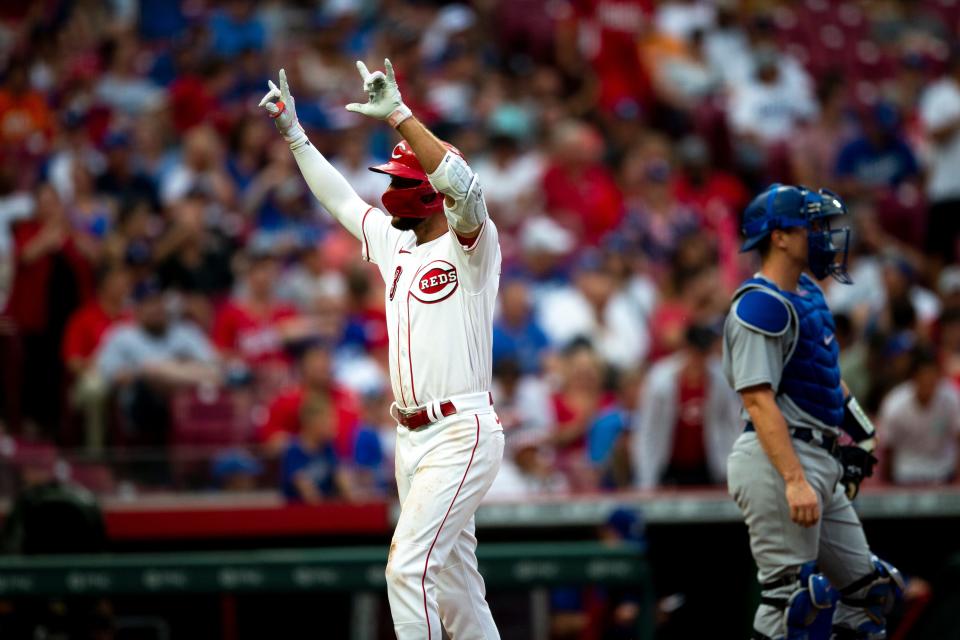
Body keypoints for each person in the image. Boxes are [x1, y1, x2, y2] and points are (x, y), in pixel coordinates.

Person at [259, 60, 503, 639]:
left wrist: (400, 116)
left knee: (407, 567)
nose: (387, 190)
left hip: (459, 428)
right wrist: (295, 134)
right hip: (411, 438)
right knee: (455, 585)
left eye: (399, 181)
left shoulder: (472, 246)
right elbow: (342, 201)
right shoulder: (396, 244)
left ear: (427, 193)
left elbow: (463, 187)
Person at [723, 184, 904, 640]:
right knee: (793, 603)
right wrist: (793, 479)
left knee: (871, 593)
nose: (824, 236)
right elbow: (758, 399)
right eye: (813, 226)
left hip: (816, 455)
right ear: (780, 236)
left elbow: (825, 379)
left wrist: (860, 431)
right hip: (778, 459)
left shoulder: (807, 292)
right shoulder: (759, 304)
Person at [633, 322, 740, 488]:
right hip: (669, 463)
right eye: (695, 353)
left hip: (709, 464)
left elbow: (732, 424)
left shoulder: (720, 380)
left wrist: (732, 467)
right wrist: (645, 477)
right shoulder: (660, 381)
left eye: (703, 354)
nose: (699, 360)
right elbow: (648, 429)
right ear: (686, 349)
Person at [878, 345, 960, 485]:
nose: (928, 382)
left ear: (939, 376)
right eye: (924, 377)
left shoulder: (951, 399)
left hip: (944, 472)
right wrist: (888, 484)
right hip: (906, 473)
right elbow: (888, 448)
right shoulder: (894, 405)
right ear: (914, 377)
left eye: (933, 376)